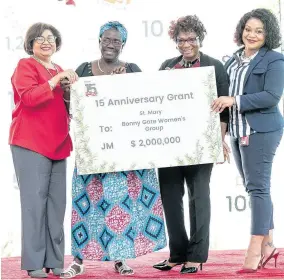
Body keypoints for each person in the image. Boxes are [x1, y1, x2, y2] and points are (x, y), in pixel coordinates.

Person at [61, 21, 167, 278]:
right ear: (99, 41)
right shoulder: (83, 70)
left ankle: (120, 258)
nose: (110, 44)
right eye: (106, 39)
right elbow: (71, 110)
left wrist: (123, 84)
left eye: (116, 41)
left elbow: (144, 106)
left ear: (123, 45)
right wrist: (66, 93)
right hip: (93, 150)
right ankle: (78, 260)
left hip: (125, 152)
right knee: (87, 203)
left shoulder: (132, 69)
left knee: (123, 205)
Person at [153, 15, 230, 274]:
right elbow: (156, 104)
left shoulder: (214, 66)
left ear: (200, 39)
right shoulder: (166, 66)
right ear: (175, 42)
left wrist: (219, 141)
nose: (186, 44)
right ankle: (176, 254)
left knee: (200, 198)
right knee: (171, 198)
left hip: (201, 146)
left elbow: (223, 110)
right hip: (170, 146)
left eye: (191, 39)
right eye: (181, 40)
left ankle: (196, 256)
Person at [212, 8, 284, 273]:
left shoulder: (275, 60)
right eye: (248, 29)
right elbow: (220, 92)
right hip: (237, 130)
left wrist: (235, 100)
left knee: (258, 189)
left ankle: (255, 249)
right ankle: (269, 244)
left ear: (268, 34)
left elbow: (271, 96)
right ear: (241, 30)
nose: (252, 35)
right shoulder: (232, 60)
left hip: (262, 130)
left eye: (259, 31)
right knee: (254, 188)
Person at [9, 22, 78, 278]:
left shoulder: (59, 69)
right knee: (33, 205)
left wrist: (70, 90)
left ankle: (55, 260)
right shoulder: (25, 66)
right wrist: (56, 80)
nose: (46, 42)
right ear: (31, 44)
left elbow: (66, 106)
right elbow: (28, 98)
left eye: (50, 38)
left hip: (58, 143)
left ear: (57, 43)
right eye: (39, 38)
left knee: (57, 205)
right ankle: (34, 263)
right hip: (30, 143)